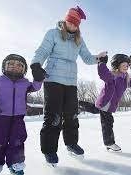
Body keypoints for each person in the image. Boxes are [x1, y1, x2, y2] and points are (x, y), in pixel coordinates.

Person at [30, 6, 107, 166]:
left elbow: (86, 58)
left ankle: (71, 143)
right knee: (53, 117)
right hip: (53, 80)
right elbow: (42, 51)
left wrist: (98, 59)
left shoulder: (79, 39)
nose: (72, 26)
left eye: (75, 24)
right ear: (65, 20)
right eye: (70, 22)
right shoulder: (53, 33)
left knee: (71, 115)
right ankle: (49, 150)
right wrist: (36, 65)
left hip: (71, 82)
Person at [0, 54, 43, 175]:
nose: (15, 67)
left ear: (24, 69)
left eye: (19, 65)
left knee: (17, 141)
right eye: (11, 64)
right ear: (5, 66)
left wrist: (38, 78)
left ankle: (16, 164)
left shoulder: (24, 83)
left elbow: (35, 87)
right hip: (0, 117)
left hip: (18, 118)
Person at [95, 54, 131, 152]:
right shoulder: (112, 76)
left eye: (127, 65)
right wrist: (101, 63)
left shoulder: (124, 78)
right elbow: (103, 74)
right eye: (124, 65)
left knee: (94, 110)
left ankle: (78, 104)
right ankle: (109, 143)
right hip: (105, 103)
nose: (127, 67)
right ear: (116, 65)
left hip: (109, 105)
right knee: (107, 123)